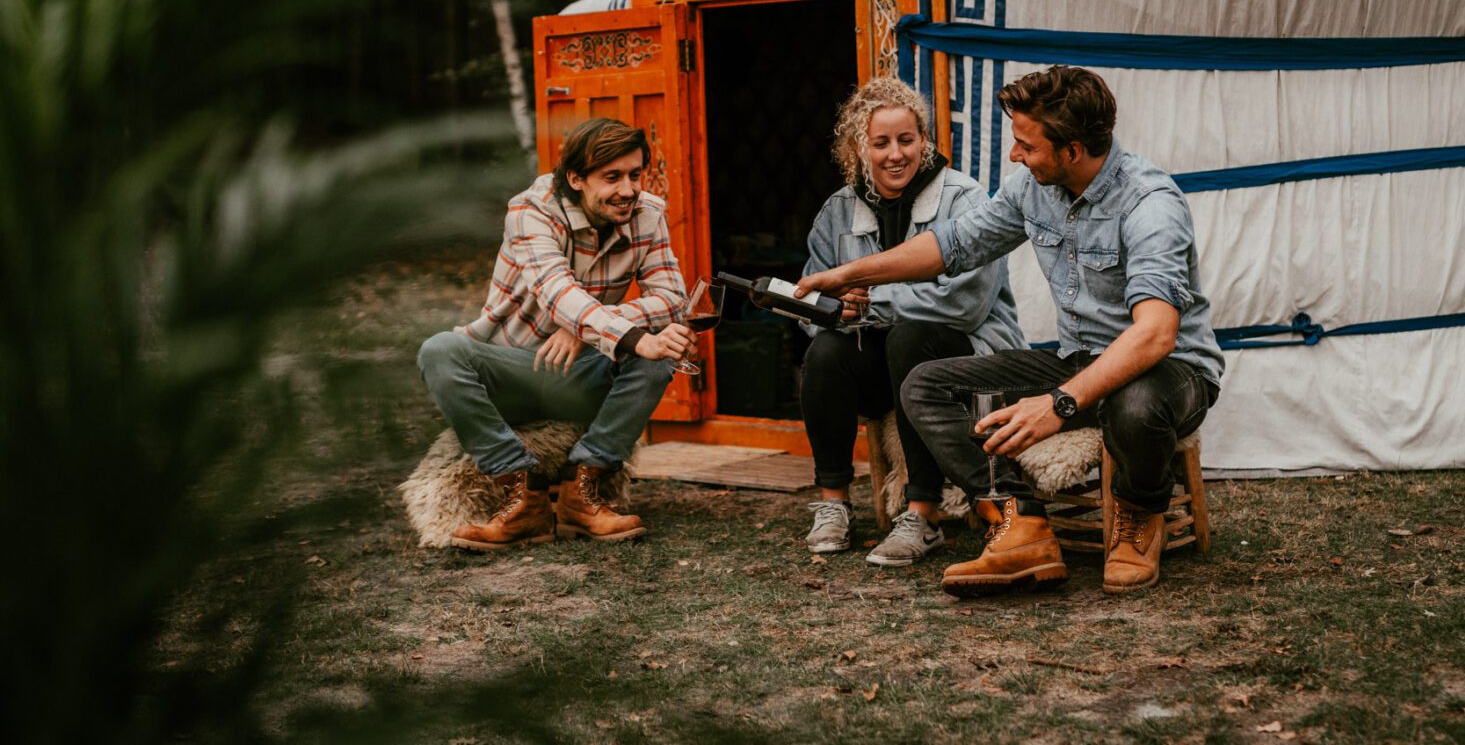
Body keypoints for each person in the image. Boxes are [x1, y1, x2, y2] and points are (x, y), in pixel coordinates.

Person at [799, 66, 1223, 596]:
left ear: (1070, 150)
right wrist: (849, 273)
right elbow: (952, 245)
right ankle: (1020, 521)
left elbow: (1156, 336)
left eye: (1026, 145)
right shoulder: (1032, 187)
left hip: (1168, 372)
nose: (1014, 156)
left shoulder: (1150, 204)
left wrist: (1059, 404)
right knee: (924, 385)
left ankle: (1139, 512)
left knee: (1133, 404)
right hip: (1078, 361)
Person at [416, 118, 695, 551]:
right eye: (612, 177)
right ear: (576, 178)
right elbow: (556, 291)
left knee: (663, 350)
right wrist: (624, 333)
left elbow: (672, 298)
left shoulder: (647, 214)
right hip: (513, 368)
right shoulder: (530, 211)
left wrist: (586, 331)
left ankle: (580, 495)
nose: (628, 189)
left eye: (635, 174)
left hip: (583, 373)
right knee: (439, 350)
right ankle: (521, 496)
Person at [797, 77, 1023, 566]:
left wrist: (870, 299)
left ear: (925, 140)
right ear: (860, 147)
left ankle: (922, 514)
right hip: (887, 361)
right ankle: (833, 503)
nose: (895, 154)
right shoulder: (838, 212)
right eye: (881, 143)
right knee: (827, 352)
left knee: (910, 337)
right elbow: (814, 304)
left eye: (907, 140)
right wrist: (837, 311)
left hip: (968, 359)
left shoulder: (964, 200)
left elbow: (963, 305)